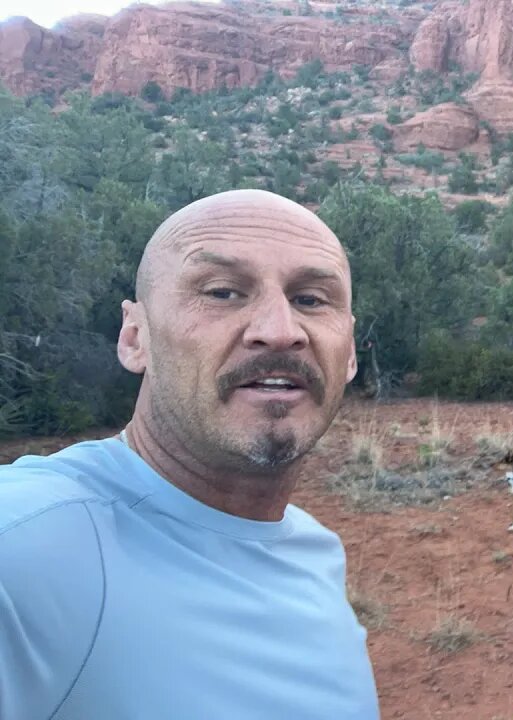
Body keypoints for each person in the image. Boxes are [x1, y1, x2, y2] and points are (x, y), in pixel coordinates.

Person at [0, 189, 379, 719]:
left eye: (311, 299)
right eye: (223, 292)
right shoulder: (25, 548)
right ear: (136, 337)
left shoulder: (315, 552)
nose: (279, 331)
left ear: (350, 355)